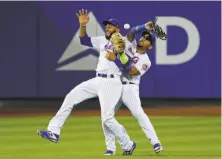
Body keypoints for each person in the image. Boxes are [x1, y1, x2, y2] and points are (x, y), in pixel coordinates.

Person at [37, 9, 136, 156]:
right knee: (71, 96)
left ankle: (127, 144)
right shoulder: (103, 40)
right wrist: (83, 26)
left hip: (112, 82)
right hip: (98, 80)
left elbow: (129, 67)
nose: (107, 28)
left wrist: (116, 56)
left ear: (118, 29)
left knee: (107, 118)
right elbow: (83, 40)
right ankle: (54, 131)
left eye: (110, 26)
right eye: (107, 26)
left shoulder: (124, 43)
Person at [102, 22, 165, 155]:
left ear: (151, 46)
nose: (143, 39)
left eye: (147, 39)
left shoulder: (146, 61)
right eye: (143, 37)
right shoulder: (131, 44)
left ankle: (155, 142)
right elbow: (131, 32)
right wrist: (144, 27)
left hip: (130, 89)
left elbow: (131, 72)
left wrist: (117, 58)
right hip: (115, 85)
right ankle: (111, 147)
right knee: (106, 117)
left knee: (138, 113)